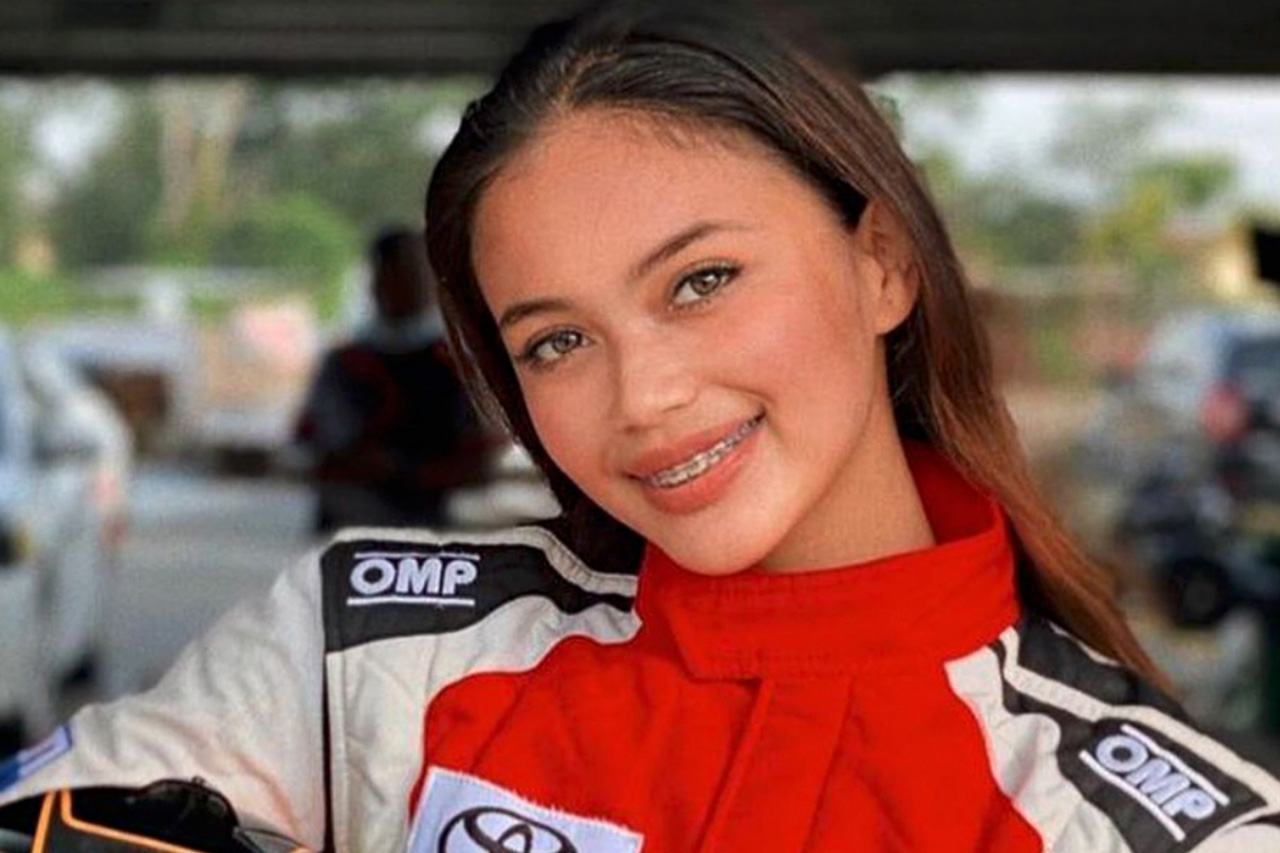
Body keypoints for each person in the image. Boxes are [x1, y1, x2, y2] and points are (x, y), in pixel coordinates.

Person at [3, 4, 1280, 852]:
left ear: (881, 262)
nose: (643, 396)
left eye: (700, 281)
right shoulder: (360, 649)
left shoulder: (1156, 820)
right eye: (555, 341)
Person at [292, 227, 492, 533]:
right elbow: (313, 442)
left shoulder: (455, 368)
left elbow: (477, 465)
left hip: (425, 531)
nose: (405, 286)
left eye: (414, 276)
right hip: (345, 528)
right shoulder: (346, 364)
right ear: (376, 282)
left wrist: (402, 470)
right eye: (395, 276)